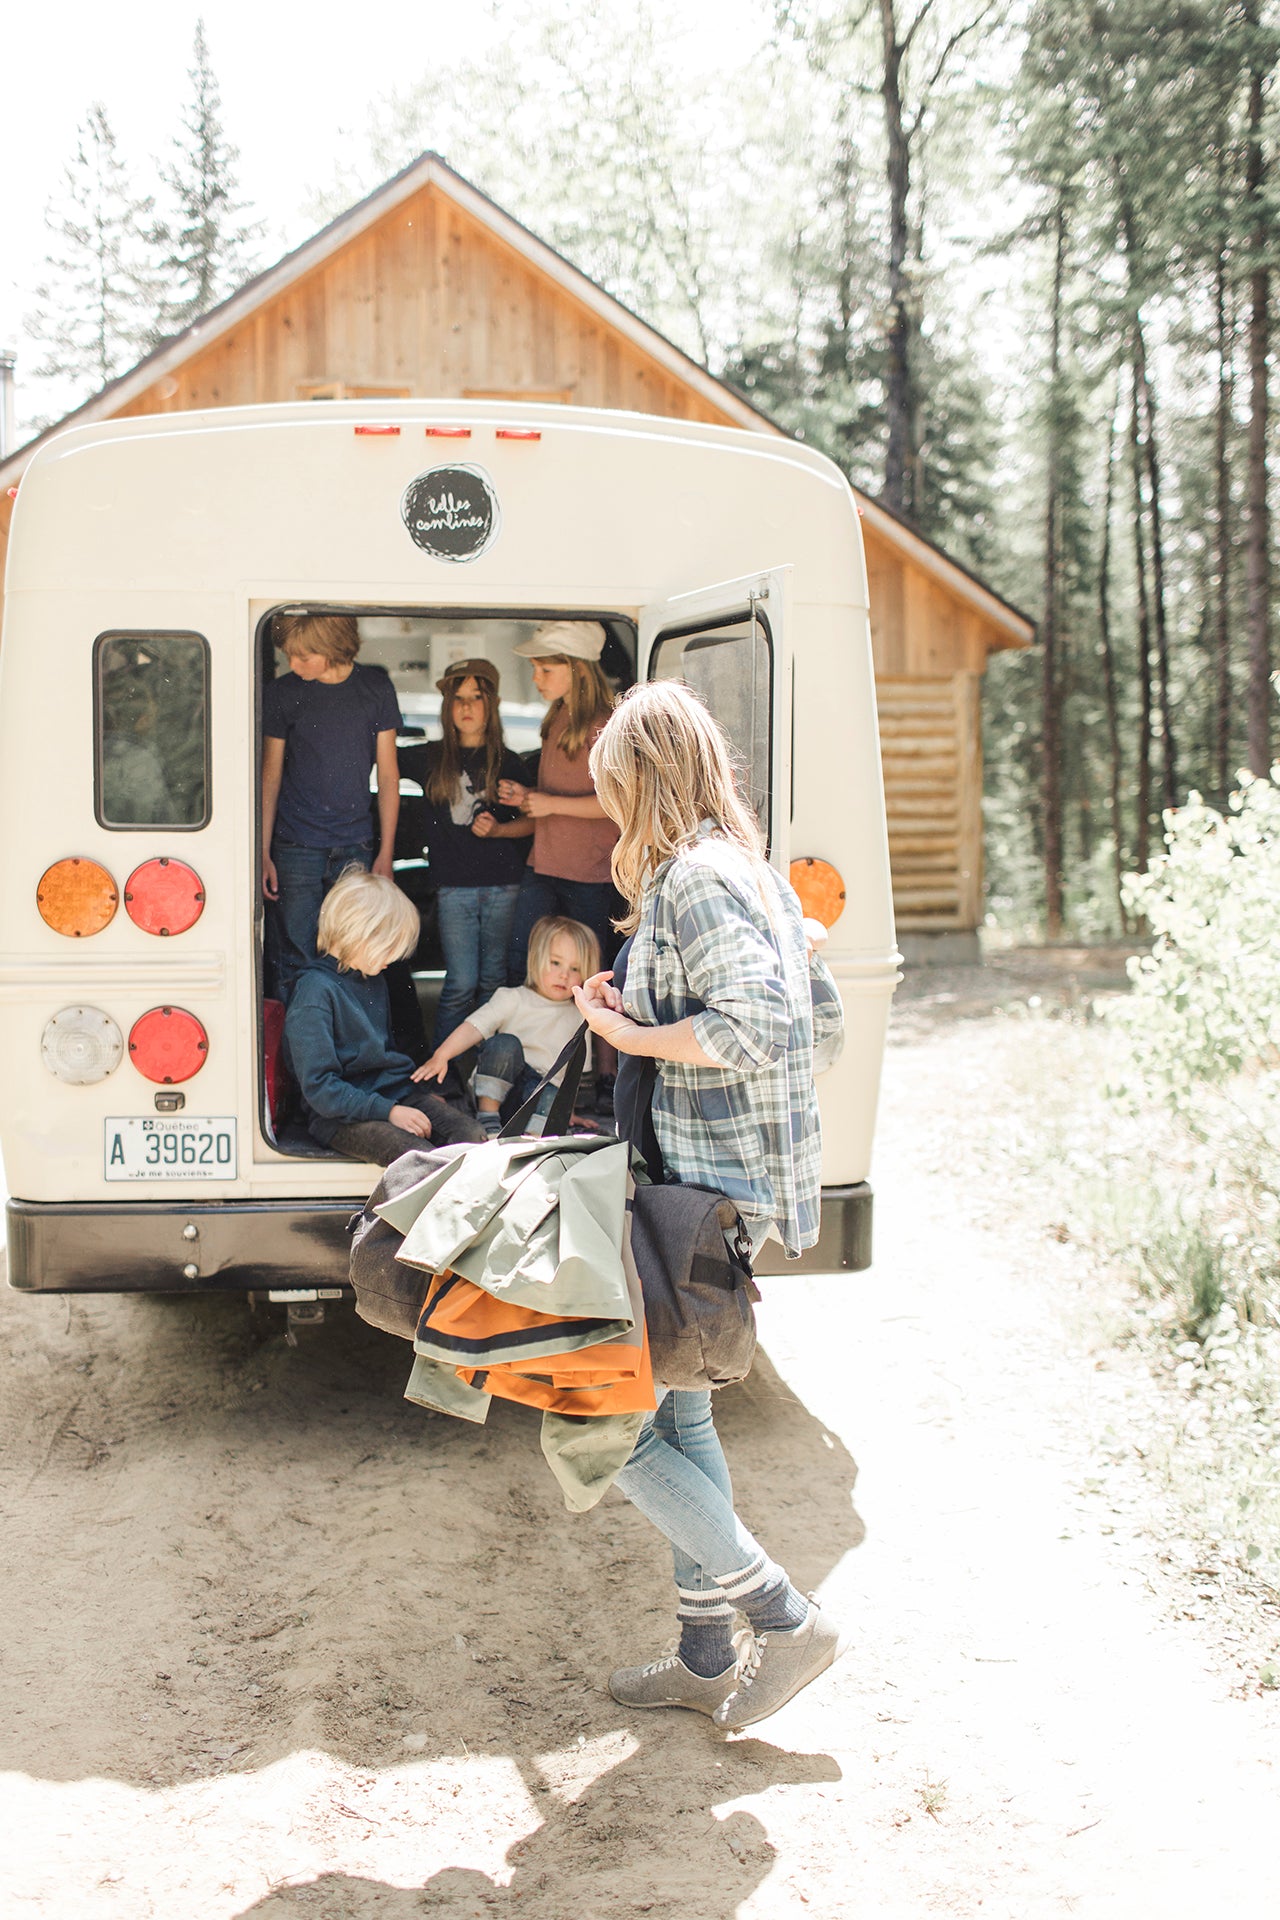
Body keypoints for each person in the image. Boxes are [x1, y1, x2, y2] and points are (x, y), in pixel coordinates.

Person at [572, 679, 848, 1732]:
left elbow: (757, 1029)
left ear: (643, 779)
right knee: (679, 1411)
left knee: (600, 1417)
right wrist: (635, 1005)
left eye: (612, 787)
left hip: (702, 1193)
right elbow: (818, 1027)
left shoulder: (693, 878)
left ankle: (783, 1618)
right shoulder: (750, 873)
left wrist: (630, 1037)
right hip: (718, 1187)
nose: (608, 810)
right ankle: (701, 1656)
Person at [283, 867, 485, 1166]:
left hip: (393, 1096)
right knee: (417, 1156)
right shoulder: (314, 993)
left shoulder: (373, 978)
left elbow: (384, 1058)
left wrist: (419, 1097)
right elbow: (321, 1090)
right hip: (340, 1116)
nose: (394, 958)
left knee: (471, 1136)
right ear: (360, 934)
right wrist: (389, 1112)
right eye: (390, 947)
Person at [261, 613, 402, 1003]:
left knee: (354, 953)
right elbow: (270, 776)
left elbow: (389, 776)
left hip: (355, 844)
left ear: (334, 647)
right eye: (289, 655)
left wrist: (386, 853)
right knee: (297, 957)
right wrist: (263, 851)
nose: (293, 664)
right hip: (294, 846)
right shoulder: (283, 693)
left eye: (303, 656)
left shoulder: (374, 688)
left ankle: (344, 1038)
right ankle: (301, 1040)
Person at [399, 658, 533, 1047]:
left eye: (476, 697)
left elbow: (534, 822)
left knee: (494, 981)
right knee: (460, 983)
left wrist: (500, 829)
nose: (467, 707)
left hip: (503, 885)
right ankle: (447, 1069)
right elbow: (382, 754)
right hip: (453, 889)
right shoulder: (429, 757)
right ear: (447, 706)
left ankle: (489, 1067)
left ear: (493, 704)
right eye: (458, 698)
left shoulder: (508, 761)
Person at [497, 621, 621, 987]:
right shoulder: (557, 717)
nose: (536, 678)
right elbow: (558, 794)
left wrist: (550, 803)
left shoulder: (604, 725)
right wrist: (528, 797)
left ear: (578, 669)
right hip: (544, 863)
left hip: (589, 873)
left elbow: (616, 803)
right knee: (522, 962)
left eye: (546, 669)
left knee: (588, 972)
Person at [414, 915, 599, 1136]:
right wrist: (442, 1055)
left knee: (552, 1092)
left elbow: (574, 1074)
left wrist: (568, 1112)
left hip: (537, 1097)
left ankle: (530, 1139)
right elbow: (474, 1026)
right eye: (555, 963)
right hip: (497, 1090)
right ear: (536, 959)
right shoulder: (513, 998)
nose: (564, 975)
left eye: (575, 968)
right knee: (504, 1045)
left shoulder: (580, 1015)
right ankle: (487, 1117)